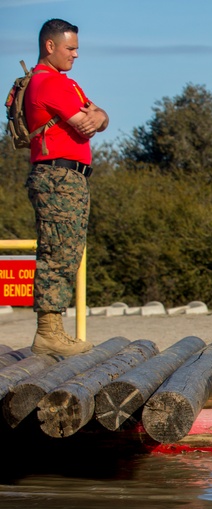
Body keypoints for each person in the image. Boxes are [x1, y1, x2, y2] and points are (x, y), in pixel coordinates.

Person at [24, 18, 109, 357]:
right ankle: (48, 332)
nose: (76, 54)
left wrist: (99, 116)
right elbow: (87, 125)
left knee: (68, 250)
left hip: (68, 177)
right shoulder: (49, 84)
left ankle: (54, 330)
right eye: (70, 48)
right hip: (57, 176)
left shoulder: (65, 84)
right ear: (50, 46)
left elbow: (100, 117)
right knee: (57, 251)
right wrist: (95, 118)